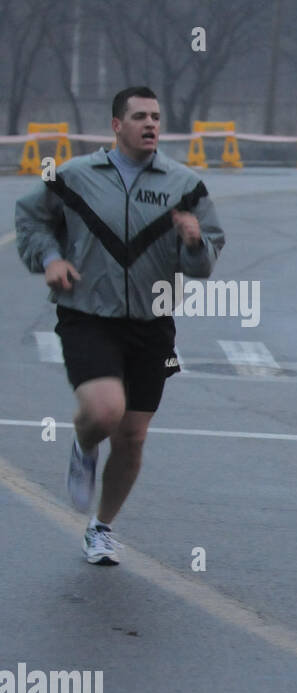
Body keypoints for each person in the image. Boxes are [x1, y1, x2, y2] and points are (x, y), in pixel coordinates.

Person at [15, 86, 224, 565]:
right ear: (116, 125)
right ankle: (85, 444)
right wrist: (49, 257)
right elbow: (31, 219)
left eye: (155, 117)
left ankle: (101, 528)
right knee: (105, 410)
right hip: (88, 313)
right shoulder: (76, 177)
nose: (150, 125)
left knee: (132, 437)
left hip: (152, 322)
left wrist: (194, 243)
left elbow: (205, 262)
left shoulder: (184, 185)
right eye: (139, 117)